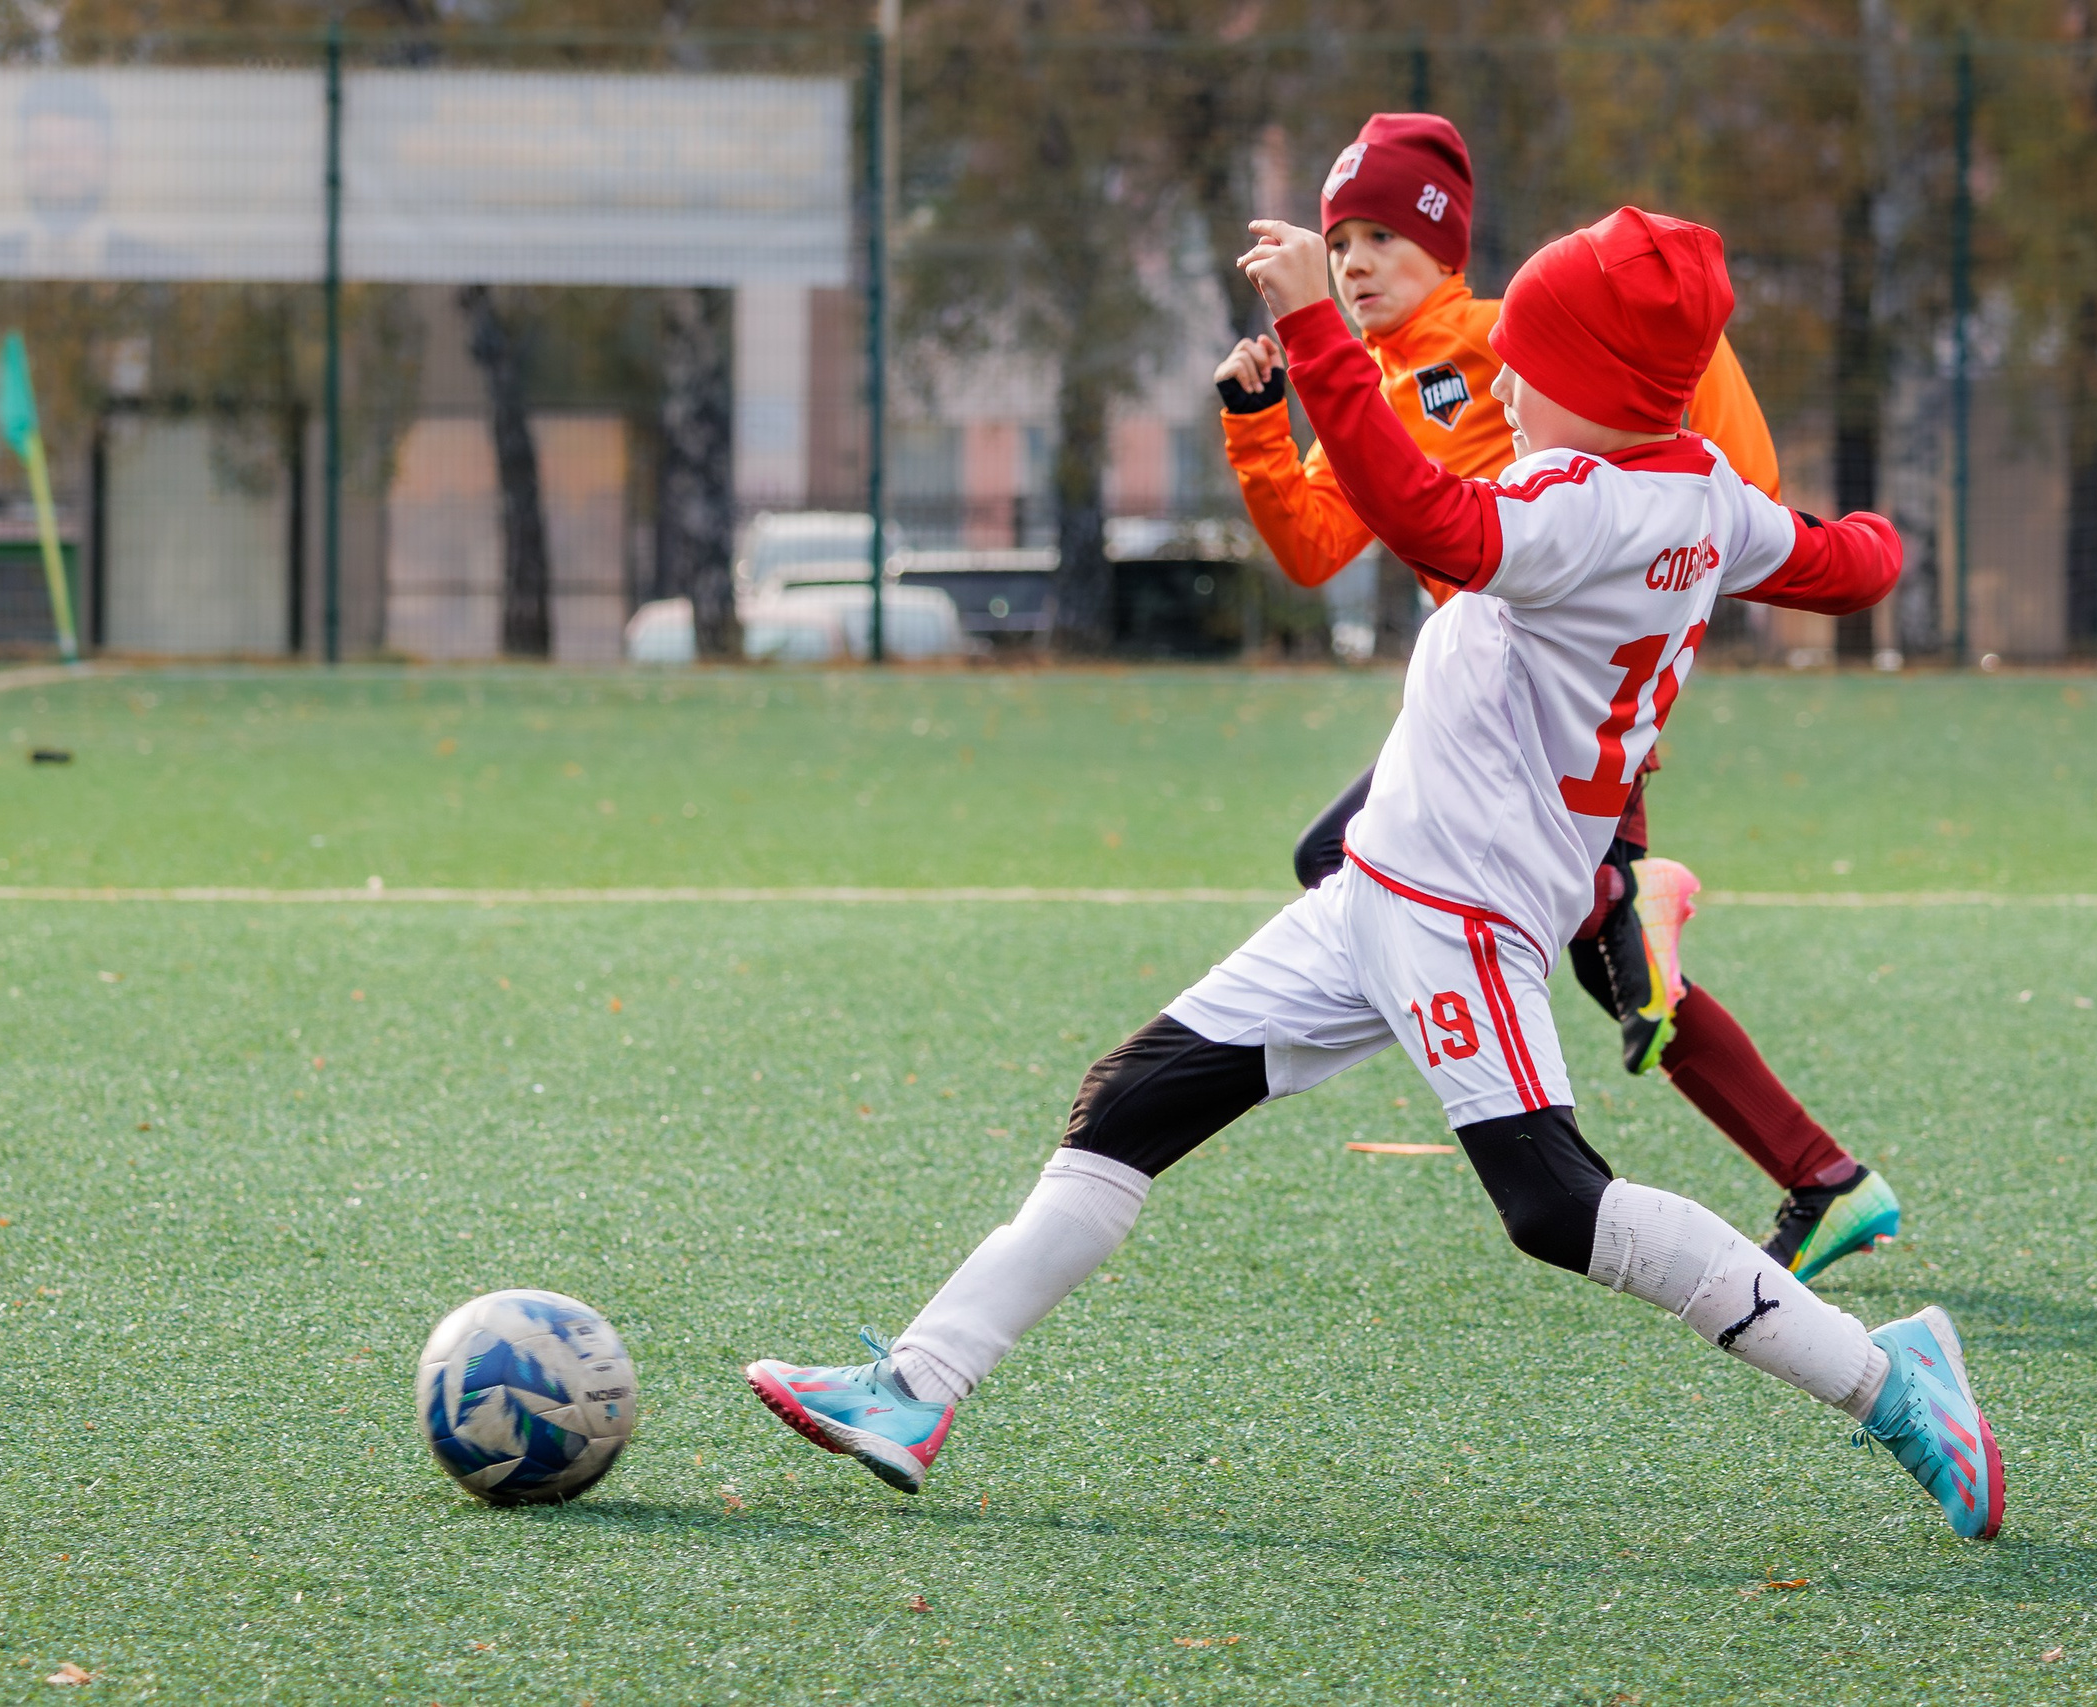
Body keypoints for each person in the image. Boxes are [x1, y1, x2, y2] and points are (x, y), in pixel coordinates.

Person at [746, 207, 2003, 1543]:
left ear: (1602, 388)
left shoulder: (1575, 510)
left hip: (1460, 910)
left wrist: (1311, 327)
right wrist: (1880, 530)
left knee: (1554, 1204)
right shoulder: (1703, 496)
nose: (1506, 381)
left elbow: (1425, 515)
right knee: (1130, 1103)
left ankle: (1889, 1376)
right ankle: (918, 1384)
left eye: (1532, 362)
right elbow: (1847, 563)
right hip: (1384, 887)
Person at [1218, 113, 1892, 1284]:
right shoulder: (1377, 380)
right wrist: (1257, 425)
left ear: (1447, 250)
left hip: (1556, 712)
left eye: (1384, 236)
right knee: (1592, 955)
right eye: (1340, 243)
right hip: (1495, 719)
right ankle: (1822, 1176)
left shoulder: (1501, 333)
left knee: (1355, 860)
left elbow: (1672, 388)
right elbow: (1322, 544)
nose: (1356, 262)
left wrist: (1720, 511)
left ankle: (1605, 935)